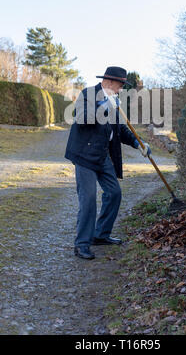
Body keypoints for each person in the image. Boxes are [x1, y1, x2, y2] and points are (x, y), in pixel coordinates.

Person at [64, 66, 151, 260]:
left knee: (114, 193)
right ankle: (82, 244)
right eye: (120, 85)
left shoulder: (115, 102)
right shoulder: (88, 94)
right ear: (108, 82)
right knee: (88, 199)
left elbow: (119, 128)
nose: (120, 89)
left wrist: (138, 142)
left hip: (102, 156)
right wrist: (104, 106)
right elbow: (81, 118)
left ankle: (100, 235)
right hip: (84, 155)